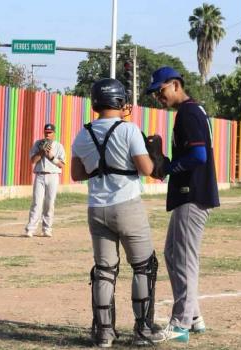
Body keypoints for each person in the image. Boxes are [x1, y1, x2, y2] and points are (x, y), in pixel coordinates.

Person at [71, 78, 166, 347]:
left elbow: (77, 173)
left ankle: (104, 333)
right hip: (126, 206)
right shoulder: (128, 130)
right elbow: (147, 169)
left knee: (104, 270)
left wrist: (100, 164)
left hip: (97, 207)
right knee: (144, 266)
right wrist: (153, 155)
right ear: (119, 102)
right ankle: (143, 330)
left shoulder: (83, 133)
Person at [145, 66, 220, 343]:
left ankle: (180, 324)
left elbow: (198, 155)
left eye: (160, 90)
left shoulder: (188, 113)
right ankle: (194, 316)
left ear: (175, 85)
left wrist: (168, 166)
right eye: (155, 93)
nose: (158, 97)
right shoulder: (191, 111)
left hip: (193, 194)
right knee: (172, 254)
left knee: (185, 258)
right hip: (189, 194)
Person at [24, 123, 65, 237]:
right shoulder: (38, 144)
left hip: (53, 175)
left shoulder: (59, 146)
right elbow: (32, 160)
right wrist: (41, 152)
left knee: (49, 202)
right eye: (46, 132)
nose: (47, 134)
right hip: (40, 175)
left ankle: (47, 229)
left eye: (50, 132)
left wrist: (51, 156)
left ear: (54, 133)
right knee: (37, 202)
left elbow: (61, 165)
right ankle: (30, 229)